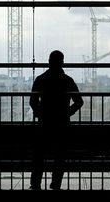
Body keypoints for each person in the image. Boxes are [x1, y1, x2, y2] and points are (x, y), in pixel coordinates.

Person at [29, 50, 84, 190]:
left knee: (39, 155)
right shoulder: (68, 81)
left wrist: (41, 112)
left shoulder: (41, 79)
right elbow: (79, 102)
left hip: (44, 122)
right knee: (59, 155)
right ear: (62, 62)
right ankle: (55, 184)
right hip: (62, 123)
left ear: (49, 61)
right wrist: (66, 113)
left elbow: (32, 101)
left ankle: (35, 184)